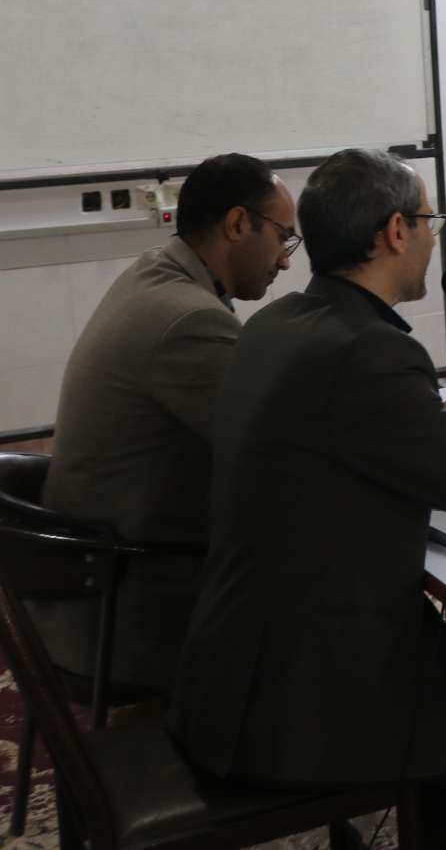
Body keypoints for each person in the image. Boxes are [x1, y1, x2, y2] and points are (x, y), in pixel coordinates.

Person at [170, 149, 446, 849]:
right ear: (396, 231)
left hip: (233, 669)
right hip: (300, 700)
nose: (435, 238)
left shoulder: (278, 323)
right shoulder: (368, 350)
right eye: (430, 220)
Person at [39, 152, 296, 689]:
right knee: (337, 594)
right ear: (238, 224)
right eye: (283, 238)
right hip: (131, 614)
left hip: (90, 586)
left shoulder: (154, 273)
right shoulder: (189, 318)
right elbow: (284, 454)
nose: (286, 261)